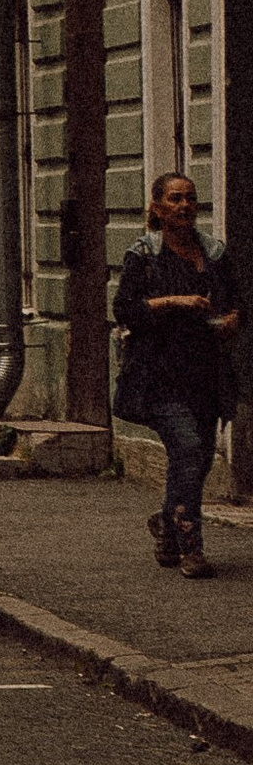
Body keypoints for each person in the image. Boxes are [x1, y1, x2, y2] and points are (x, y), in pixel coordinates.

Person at [114, 171, 241, 576]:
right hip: (159, 374)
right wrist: (173, 302)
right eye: (174, 199)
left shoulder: (214, 253)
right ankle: (192, 547)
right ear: (156, 208)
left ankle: (168, 523)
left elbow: (236, 300)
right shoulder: (144, 255)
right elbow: (125, 309)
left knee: (200, 458)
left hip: (206, 373)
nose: (184, 206)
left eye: (190, 198)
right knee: (187, 449)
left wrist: (233, 318)